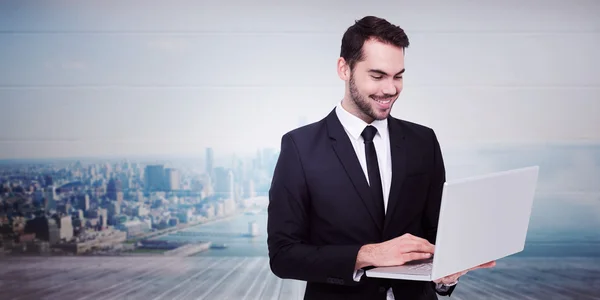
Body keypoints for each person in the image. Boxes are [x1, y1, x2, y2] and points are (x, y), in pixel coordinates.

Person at [266, 16, 495, 300]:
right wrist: (366, 255)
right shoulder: (300, 147)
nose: (390, 89)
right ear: (344, 69)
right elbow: (283, 255)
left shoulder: (423, 142)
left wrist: (445, 275)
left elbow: (437, 236)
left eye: (398, 76)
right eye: (377, 76)